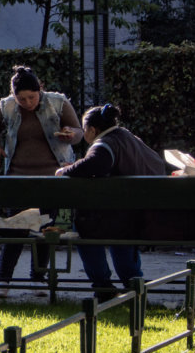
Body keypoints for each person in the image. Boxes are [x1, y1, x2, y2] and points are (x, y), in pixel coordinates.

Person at [0, 65, 83, 298]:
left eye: (32, 97)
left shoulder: (58, 102)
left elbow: (78, 130)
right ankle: (3, 281)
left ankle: (37, 278)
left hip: (53, 177)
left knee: (44, 230)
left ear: (40, 90)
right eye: (22, 99)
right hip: (18, 177)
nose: (27, 102)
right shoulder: (6, 106)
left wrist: (71, 134)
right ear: (14, 96)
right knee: (14, 231)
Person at [56, 104, 166, 298]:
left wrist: (64, 171)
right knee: (120, 233)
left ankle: (103, 285)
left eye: (84, 130)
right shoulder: (129, 138)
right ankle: (133, 282)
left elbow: (96, 163)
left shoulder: (105, 143)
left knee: (82, 228)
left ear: (92, 130)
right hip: (138, 216)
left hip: (115, 219)